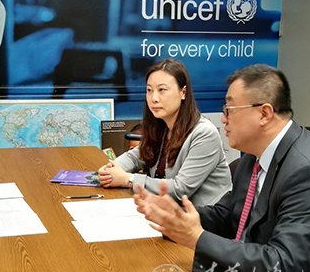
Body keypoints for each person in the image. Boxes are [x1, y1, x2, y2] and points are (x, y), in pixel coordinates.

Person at [134, 64, 310, 272]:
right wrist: (174, 216)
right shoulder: (254, 156)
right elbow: (229, 215)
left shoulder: (309, 173)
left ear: (264, 113)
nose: (223, 119)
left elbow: (282, 264)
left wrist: (197, 238)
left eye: (229, 110)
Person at [98, 59, 231, 206]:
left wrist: (127, 179)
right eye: (149, 90)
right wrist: (111, 169)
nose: (154, 98)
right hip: (168, 210)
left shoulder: (204, 133)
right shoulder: (161, 124)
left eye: (162, 90)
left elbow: (180, 189)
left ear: (183, 92)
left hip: (203, 215)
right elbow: (137, 156)